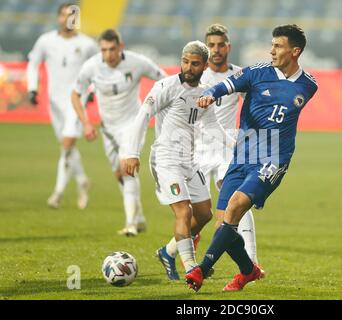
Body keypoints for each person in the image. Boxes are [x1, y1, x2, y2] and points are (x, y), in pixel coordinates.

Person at [185, 24, 318, 292]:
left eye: (278, 46)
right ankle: (249, 271)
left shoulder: (309, 86)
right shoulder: (257, 73)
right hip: (243, 155)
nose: (272, 51)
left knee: (234, 207)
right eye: (272, 45)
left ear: (295, 51)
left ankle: (202, 269)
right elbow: (227, 85)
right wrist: (210, 94)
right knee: (224, 225)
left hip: (273, 159)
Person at [124, 41, 234, 279]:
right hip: (166, 160)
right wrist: (132, 152)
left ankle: (168, 251)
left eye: (195, 63)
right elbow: (143, 116)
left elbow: (213, 126)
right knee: (184, 212)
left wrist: (237, 148)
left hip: (190, 161)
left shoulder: (205, 93)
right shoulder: (166, 86)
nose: (188, 67)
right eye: (185, 61)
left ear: (205, 65)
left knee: (204, 214)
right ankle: (191, 267)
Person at [160, 24, 260, 275]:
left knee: (239, 200)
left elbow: (251, 110)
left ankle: (251, 259)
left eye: (220, 44)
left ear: (229, 47)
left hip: (226, 149)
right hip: (198, 152)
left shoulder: (239, 76)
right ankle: (169, 251)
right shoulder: (196, 76)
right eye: (211, 45)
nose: (216, 50)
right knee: (200, 216)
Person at [72, 29, 167, 236]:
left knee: (127, 169)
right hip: (108, 129)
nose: (108, 54)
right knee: (119, 174)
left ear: (120, 47)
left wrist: (157, 106)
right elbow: (75, 94)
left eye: (112, 49)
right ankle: (139, 218)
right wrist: (86, 123)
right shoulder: (92, 66)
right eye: (104, 50)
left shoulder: (137, 62)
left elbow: (164, 81)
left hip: (132, 125)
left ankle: (131, 224)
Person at [26, 2, 98, 209]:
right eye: (65, 15)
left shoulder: (87, 44)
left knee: (67, 145)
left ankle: (57, 193)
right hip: (54, 101)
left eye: (73, 16)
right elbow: (32, 63)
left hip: (76, 101)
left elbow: (96, 70)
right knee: (67, 147)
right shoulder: (45, 41)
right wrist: (32, 88)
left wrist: (91, 91)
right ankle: (83, 181)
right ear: (58, 17)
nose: (69, 20)